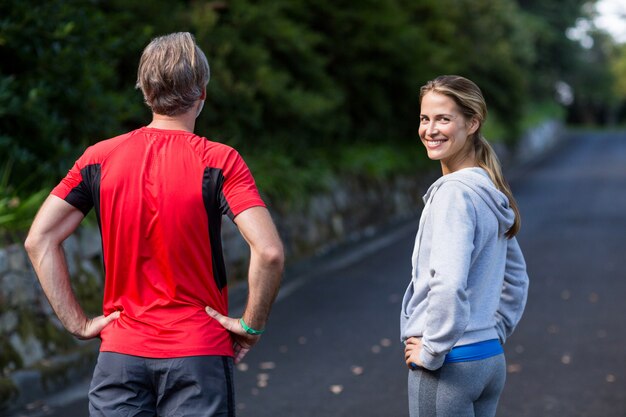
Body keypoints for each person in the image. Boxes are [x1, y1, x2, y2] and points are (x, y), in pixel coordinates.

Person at [24, 32, 284, 417]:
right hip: (198, 353)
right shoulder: (220, 161)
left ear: (146, 92)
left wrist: (78, 324)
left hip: (120, 355)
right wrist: (251, 325)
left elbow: (39, 239)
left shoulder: (99, 158)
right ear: (202, 94)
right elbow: (269, 251)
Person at [400, 75, 529, 417]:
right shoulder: (491, 190)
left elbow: (449, 281)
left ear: (472, 123)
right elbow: (517, 280)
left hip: (449, 366)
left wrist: (431, 351)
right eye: (425, 118)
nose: (430, 129)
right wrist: (494, 330)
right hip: (488, 359)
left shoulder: (453, 194)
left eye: (444, 119)